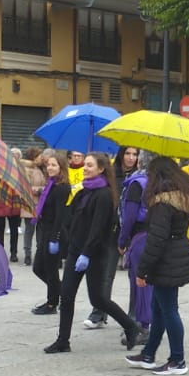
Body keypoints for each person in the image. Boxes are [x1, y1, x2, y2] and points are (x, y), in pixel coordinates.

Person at [46, 151, 143, 353]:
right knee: (67, 295)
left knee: (98, 299)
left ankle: (131, 327)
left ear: (101, 169)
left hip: (94, 254)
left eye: (90, 165)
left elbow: (98, 228)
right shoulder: (83, 191)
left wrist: (87, 254)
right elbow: (70, 219)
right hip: (76, 251)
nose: (85, 168)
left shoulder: (105, 195)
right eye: (85, 165)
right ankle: (63, 340)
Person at [124, 157, 189, 375]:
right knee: (158, 308)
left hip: (167, 259)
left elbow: (156, 239)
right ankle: (149, 354)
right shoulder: (185, 198)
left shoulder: (162, 204)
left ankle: (178, 360)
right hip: (178, 252)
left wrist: (143, 270)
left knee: (169, 310)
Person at [118, 147, 153, 334]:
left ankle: (141, 325)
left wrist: (122, 241)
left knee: (139, 282)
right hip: (160, 237)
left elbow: (129, 216)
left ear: (140, 161)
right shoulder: (165, 182)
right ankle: (150, 323)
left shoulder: (136, 183)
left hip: (140, 237)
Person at [29, 150, 66, 315]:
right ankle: (62, 291)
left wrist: (55, 238)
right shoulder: (51, 183)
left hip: (53, 232)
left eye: (54, 165)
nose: (50, 168)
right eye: (48, 164)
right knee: (38, 268)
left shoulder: (61, 187)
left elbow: (60, 215)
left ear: (61, 167)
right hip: (44, 229)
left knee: (50, 269)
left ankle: (52, 303)